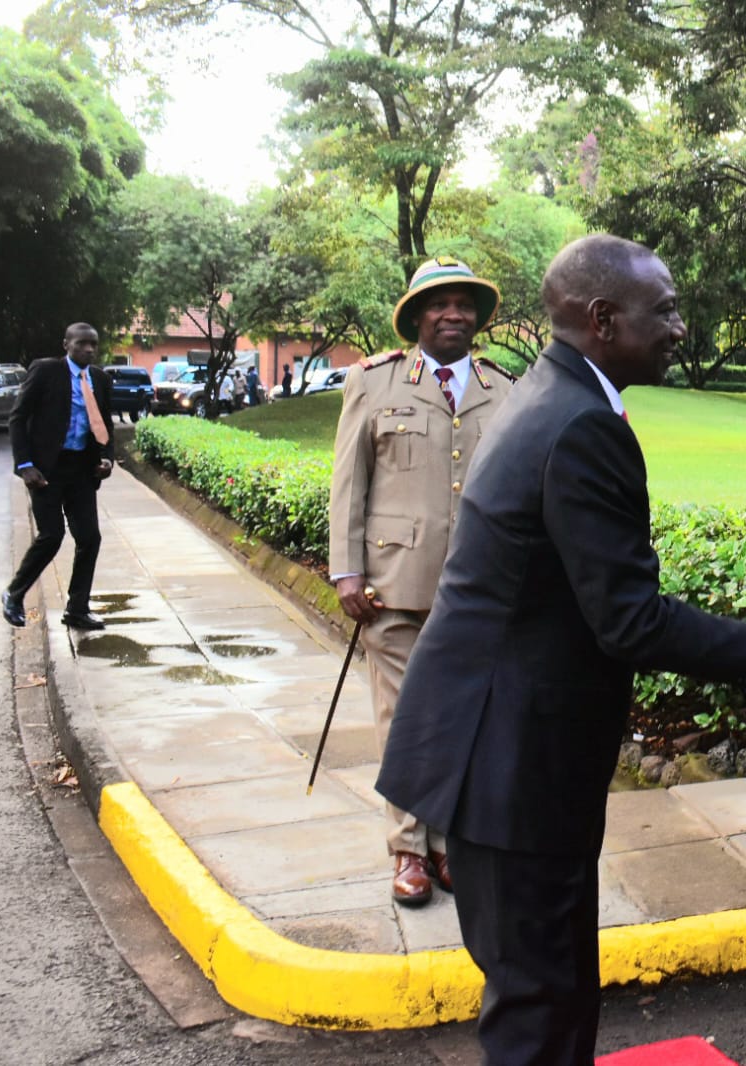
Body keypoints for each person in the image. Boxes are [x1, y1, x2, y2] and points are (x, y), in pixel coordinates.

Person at [374, 235, 746, 1065]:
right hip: (513, 767)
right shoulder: (581, 424)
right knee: (540, 1010)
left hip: (492, 754)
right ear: (604, 319)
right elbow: (630, 621)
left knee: (542, 994)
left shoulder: (545, 394)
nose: (680, 329)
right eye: (667, 311)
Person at [329, 256, 515, 907]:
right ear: (416, 318)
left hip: (477, 592)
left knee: (463, 718)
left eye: (464, 304)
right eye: (439, 304)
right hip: (394, 586)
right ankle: (408, 848)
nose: (452, 314)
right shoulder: (374, 381)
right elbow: (349, 483)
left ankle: (444, 846)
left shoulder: (504, 390)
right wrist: (346, 570)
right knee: (407, 717)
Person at [1, 323, 115, 631]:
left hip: (81, 470)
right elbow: (18, 417)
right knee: (52, 535)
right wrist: (25, 465)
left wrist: (107, 458)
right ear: (66, 344)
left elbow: (104, 424)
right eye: (81, 344)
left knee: (89, 538)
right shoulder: (46, 371)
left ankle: (77, 609)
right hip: (46, 470)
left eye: (93, 344)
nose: (88, 349)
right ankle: (14, 594)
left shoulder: (100, 379)